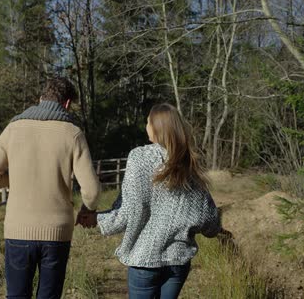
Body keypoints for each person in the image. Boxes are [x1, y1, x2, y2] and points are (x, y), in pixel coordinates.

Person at [0, 78, 101, 299]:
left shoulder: (13, 129)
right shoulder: (72, 133)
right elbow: (91, 191)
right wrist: (87, 210)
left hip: (18, 229)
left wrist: (13, 179)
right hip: (57, 233)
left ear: (41, 98)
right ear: (67, 104)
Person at [90, 103, 221, 299]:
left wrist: (97, 219)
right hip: (178, 262)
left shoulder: (139, 157)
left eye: (148, 122)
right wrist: (215, 230)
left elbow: (130, 212)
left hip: (145, 261)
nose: (145, 126)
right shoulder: (188, 162)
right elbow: (207, 216)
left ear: (157, 127)